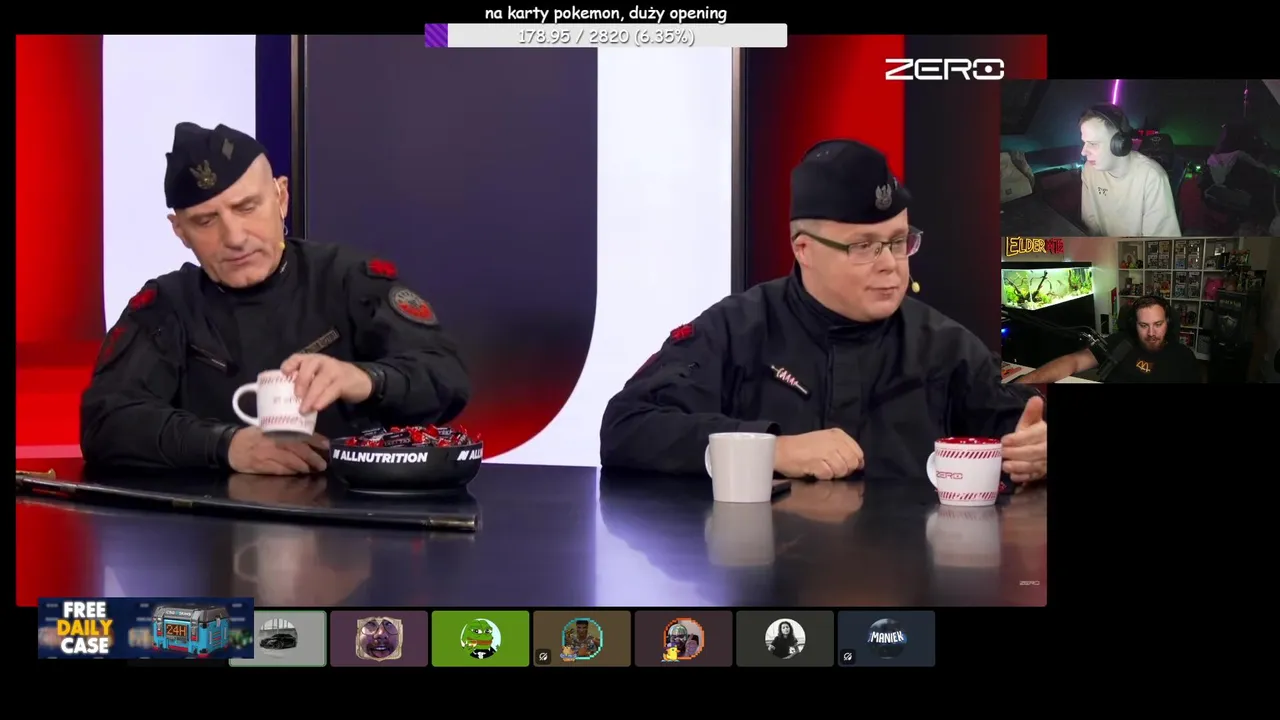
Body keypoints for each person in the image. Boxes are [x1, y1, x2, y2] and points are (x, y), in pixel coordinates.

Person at [600, 140, 1048, 485]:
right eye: (863, 246)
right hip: (764, 571)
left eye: (898, 242)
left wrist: (1039, 450)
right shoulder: (736, 330)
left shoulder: (947, 346)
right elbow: (626, 428)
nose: (890, 265)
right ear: (804, 249)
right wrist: (769, 450)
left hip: (909, 571)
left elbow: (1024, 430)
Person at [80, 122, 470, 474]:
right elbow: (106, 423)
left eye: (246, 207)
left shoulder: (348, 279)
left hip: (356, 513)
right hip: (211, 520)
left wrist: (366, 379)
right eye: (205, 221)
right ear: (180, 232)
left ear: (281, 197)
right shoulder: (165, 306)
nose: (234, 238)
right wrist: (225, 446)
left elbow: (447, 377)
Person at [1016, 296, 1201, 384]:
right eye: (1144, 325)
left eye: (1158, 324)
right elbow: (1074, 361)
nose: (1151, 333)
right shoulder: (1120, 342)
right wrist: (1024, 382)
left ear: (1168, 323)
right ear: (1134, 324)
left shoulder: (1183, 358)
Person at [1078, 104, 1181, 238]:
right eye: (1084, 142)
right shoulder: (1089, 170)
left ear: (1119, 144)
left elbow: (1158, 243)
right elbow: (1090, 225)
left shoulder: (1152, 177)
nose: (1083, 152)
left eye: (1093, 144)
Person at [1205, 122, 1279, 235]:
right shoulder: (1254, 171)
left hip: (1219, 231)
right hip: (1254, 233)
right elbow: (1264, 207)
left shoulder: (1211, 168)